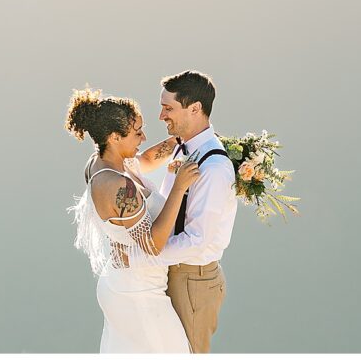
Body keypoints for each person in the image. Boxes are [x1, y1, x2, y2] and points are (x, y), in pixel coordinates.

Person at [66, 87, 201, 353]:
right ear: (115, 137)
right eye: (137, 132)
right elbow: (152, 245)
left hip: (126, 285)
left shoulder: (106, 161)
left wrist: (185, 138)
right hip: (137, 295)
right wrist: (178, 187)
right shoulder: (117, 186)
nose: (144, 136)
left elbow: (146, 159)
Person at [156, 70, 238, 353]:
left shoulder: (213, 168)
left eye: (168, 108)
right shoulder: (183, 149)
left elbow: (198, 239)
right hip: (176, 273)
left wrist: (147, 254)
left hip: (192, 280)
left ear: (195, 109)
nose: (161, 116)